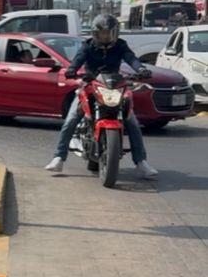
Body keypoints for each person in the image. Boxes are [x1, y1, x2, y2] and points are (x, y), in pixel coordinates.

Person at [46, 14, 158, 178]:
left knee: (132, 122)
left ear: (115, 33)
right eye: (102, 33)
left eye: (109, 33)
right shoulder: (88, 46)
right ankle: (58, 158)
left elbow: (131, 59)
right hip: (91, 85)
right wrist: (72, 70)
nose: (106, 36)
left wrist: (140, 69)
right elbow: (78, 60)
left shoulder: (121, 45)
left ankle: (141, 162)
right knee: (71, 120)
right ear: (95, 33)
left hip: (114, 85)